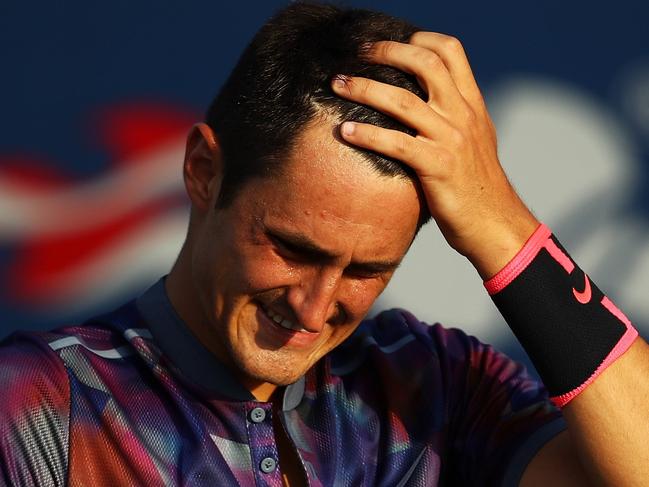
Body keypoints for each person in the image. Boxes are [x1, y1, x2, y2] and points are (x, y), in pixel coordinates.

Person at [1, 2, 647, 486]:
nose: (314, 308)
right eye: (293, 248)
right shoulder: (37, 402)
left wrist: (502, 224)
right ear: (202, 171)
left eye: (365, 269)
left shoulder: (434, 385)